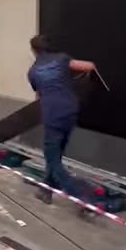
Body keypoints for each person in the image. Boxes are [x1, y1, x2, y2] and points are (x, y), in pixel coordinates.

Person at [28, 35, 96, 204]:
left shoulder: (33, 72)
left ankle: (81, 198)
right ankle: (45, 190)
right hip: (70, 111)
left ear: (34, 50)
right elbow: (90, 66)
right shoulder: (62, 58)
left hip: (53, 116)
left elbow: (39, 95)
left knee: (52, 159)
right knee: (56, 156)